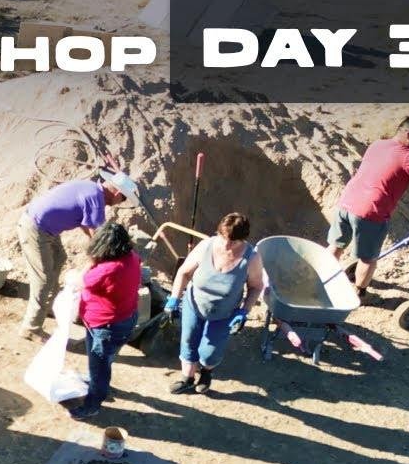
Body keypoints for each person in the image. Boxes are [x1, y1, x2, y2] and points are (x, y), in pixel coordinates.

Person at [327, 116, 409, 305]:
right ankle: (360, 295)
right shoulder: (408, 156)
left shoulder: (378, 144)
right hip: (371, 211)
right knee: (368, 258)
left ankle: (322, 279)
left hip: (346, 203)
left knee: (336, 245)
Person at [17, 170, 144, 339]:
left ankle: (49, 306)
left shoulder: (91, 189)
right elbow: (100, 241)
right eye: (123, 199)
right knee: (44, 279)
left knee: (59, 258)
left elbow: (89, 227)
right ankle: (31, 327)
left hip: (46, 227)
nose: (119, 203)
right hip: (36, 228)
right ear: (118, 193)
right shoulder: (96, 200)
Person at [165, 213, 264, 395]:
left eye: (233, 242)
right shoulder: (206, 246)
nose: (227, 245)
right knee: (189, 341)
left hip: (224, 313)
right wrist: (174, 299)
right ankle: (187, 378)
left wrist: (243, 312)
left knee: (210, 352)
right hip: (195, 304)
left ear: (243, 239)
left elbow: (256, 287)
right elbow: (184, 273)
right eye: (224, 238)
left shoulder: (251, 258)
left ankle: (206, 372)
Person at [67, 221, 141, 421]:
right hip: (124, 319)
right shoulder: (132, 257)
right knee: (104, 360)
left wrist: (91, 262)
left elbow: (80, 281)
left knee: (99, 367)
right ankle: (96, 383)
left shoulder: (108, 269)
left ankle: (92, 404)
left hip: (105, 327)